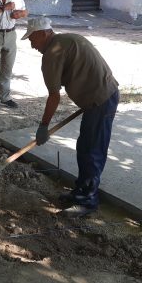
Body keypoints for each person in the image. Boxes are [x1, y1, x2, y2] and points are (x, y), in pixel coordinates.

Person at [23, 17, 120, 217]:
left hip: (100, 100)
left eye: (32, 40)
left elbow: (54, 95)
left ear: (43, 34)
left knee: (91, 151)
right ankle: (80, 192)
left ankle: (88, 201)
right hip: (102, 96)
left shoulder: (52, 53)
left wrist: (44, 126)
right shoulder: (68, 39)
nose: (32, 46)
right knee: (85, 147)